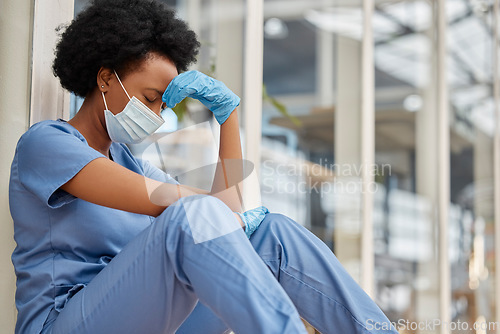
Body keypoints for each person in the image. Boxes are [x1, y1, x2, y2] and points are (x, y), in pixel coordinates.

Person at [8, 0, 399, 333]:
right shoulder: (47, 144)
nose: (157, 114)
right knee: (191, 216)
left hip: (145, 317)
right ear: (106, 78)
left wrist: (227, 116)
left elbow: (224, 218)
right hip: (66, 322)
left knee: (272, 235)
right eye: (149, 98)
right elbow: (180, 208)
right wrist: (213, 212)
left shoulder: (131, 162)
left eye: (164, 104)